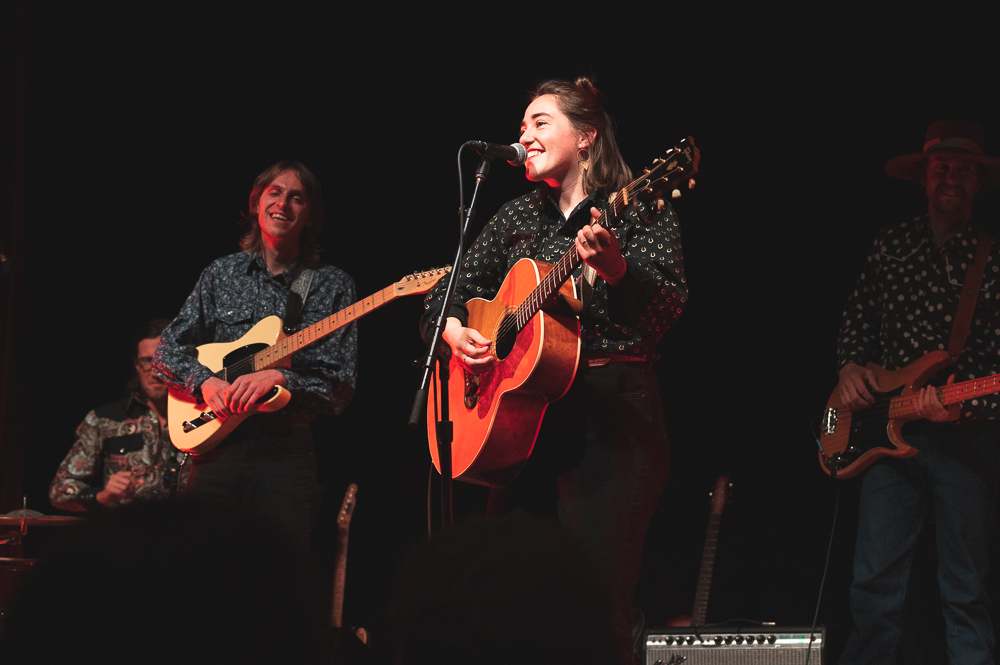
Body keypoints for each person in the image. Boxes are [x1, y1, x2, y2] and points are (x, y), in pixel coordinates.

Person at [420, 77, 688, 664]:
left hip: (612, 414)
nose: (525, 136)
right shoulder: (519, 214)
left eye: (540, 122)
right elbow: (447, 291)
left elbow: (667, 307)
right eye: (522, 127)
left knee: (595, 602)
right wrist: (454, 330)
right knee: (507, 597)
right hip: (525, 423)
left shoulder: (638, 203)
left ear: (587, 137)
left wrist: (619, 272)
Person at [835, 119, 1000, 665]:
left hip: (966, 443)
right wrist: (850, 369)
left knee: (967, 591)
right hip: (884, 436)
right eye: (941, 167)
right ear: (923, 177)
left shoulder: (993, 259)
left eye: (965, 170)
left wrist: (963, 407)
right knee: (873, 588)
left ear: (977, 183)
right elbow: (858, 317)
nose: (952, 177)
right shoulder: (891, 243)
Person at [152, 160, 357, 550]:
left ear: (310, 214)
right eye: (275, 193)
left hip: (285, 456)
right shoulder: (220, 274)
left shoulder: (332, 286)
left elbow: (339, 387)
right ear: (256, 202)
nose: (284, 204)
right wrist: (205, 382)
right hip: (214, 453)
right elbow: (165, 351)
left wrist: (281, 379)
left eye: (297, 198)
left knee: (278, 584)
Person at [49, 319, 190, 510]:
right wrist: (102, 495)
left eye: (163, 361)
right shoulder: (103, 419)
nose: (156, 372)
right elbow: (59, 490)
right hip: (124, 535)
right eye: (147, 361)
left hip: (188, 533)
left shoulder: (202, 415)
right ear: (136, 365)